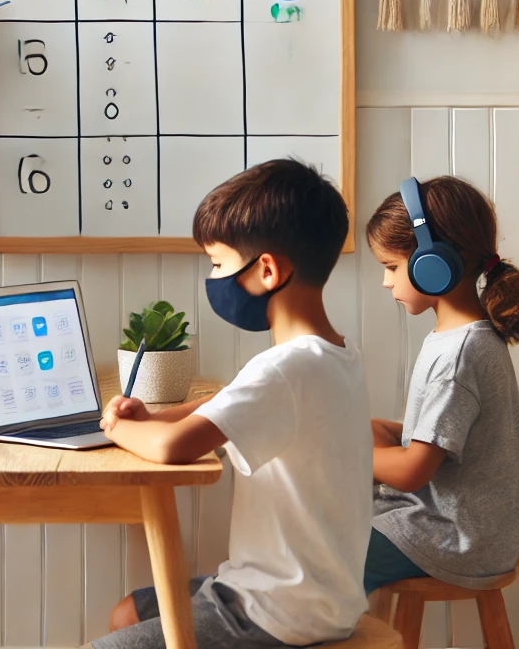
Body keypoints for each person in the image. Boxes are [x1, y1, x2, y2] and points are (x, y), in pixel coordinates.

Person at [95, 158, 371, 649]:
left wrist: (115, 427)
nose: (216, 278)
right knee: (127, 614)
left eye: (219, 265)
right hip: (320, 597)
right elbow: (226, 401)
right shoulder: (331, 356)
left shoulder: (284, 369)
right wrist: (154, 416)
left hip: (276, 612)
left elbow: (174, 447)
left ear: (267, 270)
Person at [364, 175, 519, 595]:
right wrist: (379, 431)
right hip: (467, 531)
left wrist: (342, 450)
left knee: (313, 552)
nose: (386, 282)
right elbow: (442, 443)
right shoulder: (462, 338)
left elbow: (410, 471)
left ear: (432, 263)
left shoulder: (458, 354)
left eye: (391, 267)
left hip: (456, 541)